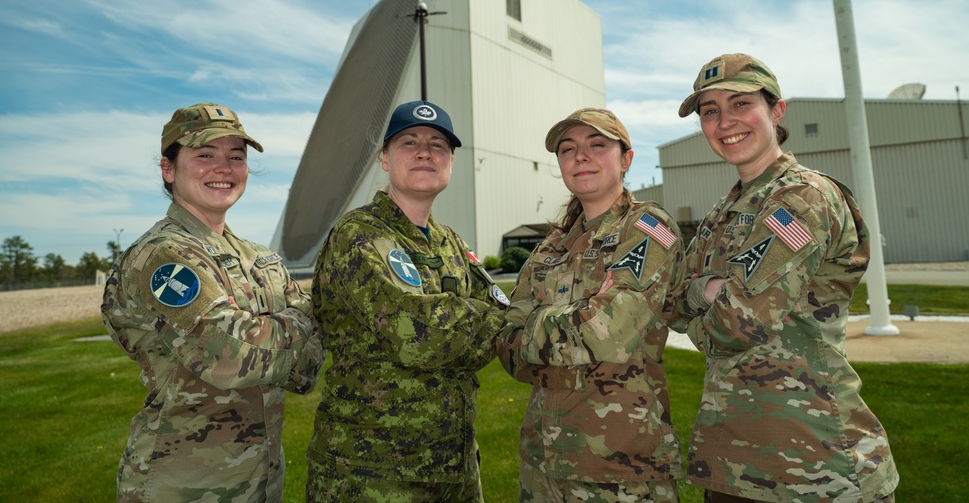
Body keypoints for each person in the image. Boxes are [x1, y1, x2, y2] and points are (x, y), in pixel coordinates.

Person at [672, 53, 899, 503]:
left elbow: (737, 325)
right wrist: (705, 290)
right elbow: (671, 302)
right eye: (710, 111)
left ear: (776, 111)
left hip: (816, 466)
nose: (724, 122)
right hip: (733, 461)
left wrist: (703, 296)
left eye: (740, 104)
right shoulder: (726, 209)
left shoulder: (802, 198)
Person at [102, 102, 325, 502]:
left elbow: (306, 370)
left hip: (260, 480)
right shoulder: (163, 256)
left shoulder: (258, 258)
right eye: (205, 155)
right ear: (168, 169)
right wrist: (304, 318)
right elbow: (231, 356)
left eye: (235, 157)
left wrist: (271, 335)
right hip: (184, 485)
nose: (224, 168)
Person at [305, 100, 508, 503]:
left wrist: (476, 320)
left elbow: (501, 313)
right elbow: (419, 336)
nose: (424, 152)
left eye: (438, 145)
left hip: (454, 464)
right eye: (408, 141)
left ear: (450, 162)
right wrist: (485, 321)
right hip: (372, 472)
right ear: (384, 158)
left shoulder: (450, 242)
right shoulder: (359, 233)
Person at [496, 108, 687, 503]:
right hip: (542, 462)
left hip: (620, 468)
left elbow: (608, 331)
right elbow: (504, 345)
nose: (580, 156)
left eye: (597, 145)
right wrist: (576, 321)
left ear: (626, 159)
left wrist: (533, 326)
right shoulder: (551, 247)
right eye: (568, 149)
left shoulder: (648, 228)